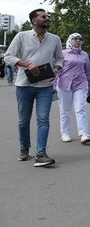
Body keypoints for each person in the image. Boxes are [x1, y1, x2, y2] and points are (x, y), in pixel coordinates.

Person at [4, 9, 63, 166]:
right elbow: (8, 56)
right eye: (43, 17)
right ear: (34, 21)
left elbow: (60, 59)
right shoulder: (21, 36)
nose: (47, 18)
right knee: (24, 120)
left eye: (47, 16)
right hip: (24, 85)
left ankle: (41, 153)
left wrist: (57, 69)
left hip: (45, 85)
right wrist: (27, 64)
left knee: (43, 119)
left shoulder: (55, 39)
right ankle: (24, 148)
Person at [55, 33, 90, 144]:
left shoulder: (84, 55)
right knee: (65, 111)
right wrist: (53, 85)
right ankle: (65, 133)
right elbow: (56, 70)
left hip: (81, 84)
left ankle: (84, 134)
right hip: (63, 85)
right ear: (70, 40)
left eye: (80, 39)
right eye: (75, 39)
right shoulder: (62, 54)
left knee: (80, 109)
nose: (78, 41)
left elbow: (88, 72)